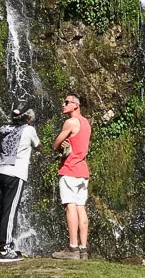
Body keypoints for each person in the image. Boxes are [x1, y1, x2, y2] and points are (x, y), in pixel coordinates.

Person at [0, 107, 40, 263]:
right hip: (15, 175)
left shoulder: (3, 128)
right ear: (28, 119)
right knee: (10, 211)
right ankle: (5, 250)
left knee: (2, 212)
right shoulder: (29, 130)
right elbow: (37, 145)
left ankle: (7, 246)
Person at [51, 93, 91, 260]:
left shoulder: (70, 122)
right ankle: (83, 249)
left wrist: (61, 145)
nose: (63, 104)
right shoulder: (86, 123)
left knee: (70, 207)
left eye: (66, 102)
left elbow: (55, 145)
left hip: (70, 169)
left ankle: (72, 248)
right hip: (83, 171)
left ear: (76, 105)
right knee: (81, 207)